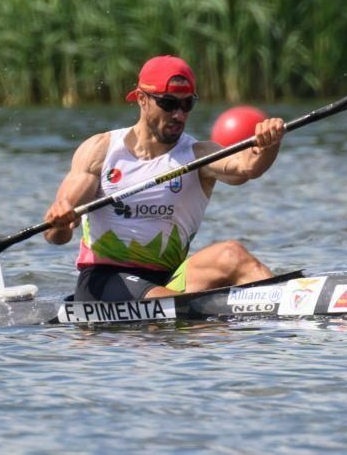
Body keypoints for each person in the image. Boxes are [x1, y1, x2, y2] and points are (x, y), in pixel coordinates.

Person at [43, 55, 285, 302]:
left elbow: (248, 167)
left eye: (187, 104)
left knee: (232, 254)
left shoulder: (199, 155)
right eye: (169, 104)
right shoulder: (100, 151)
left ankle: (287, 303)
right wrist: (60, 223)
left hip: (168, 278)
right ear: (141, 99)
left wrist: (270, 144)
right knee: (181, 313)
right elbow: (54, 236)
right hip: (104, 280)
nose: (179, 115)